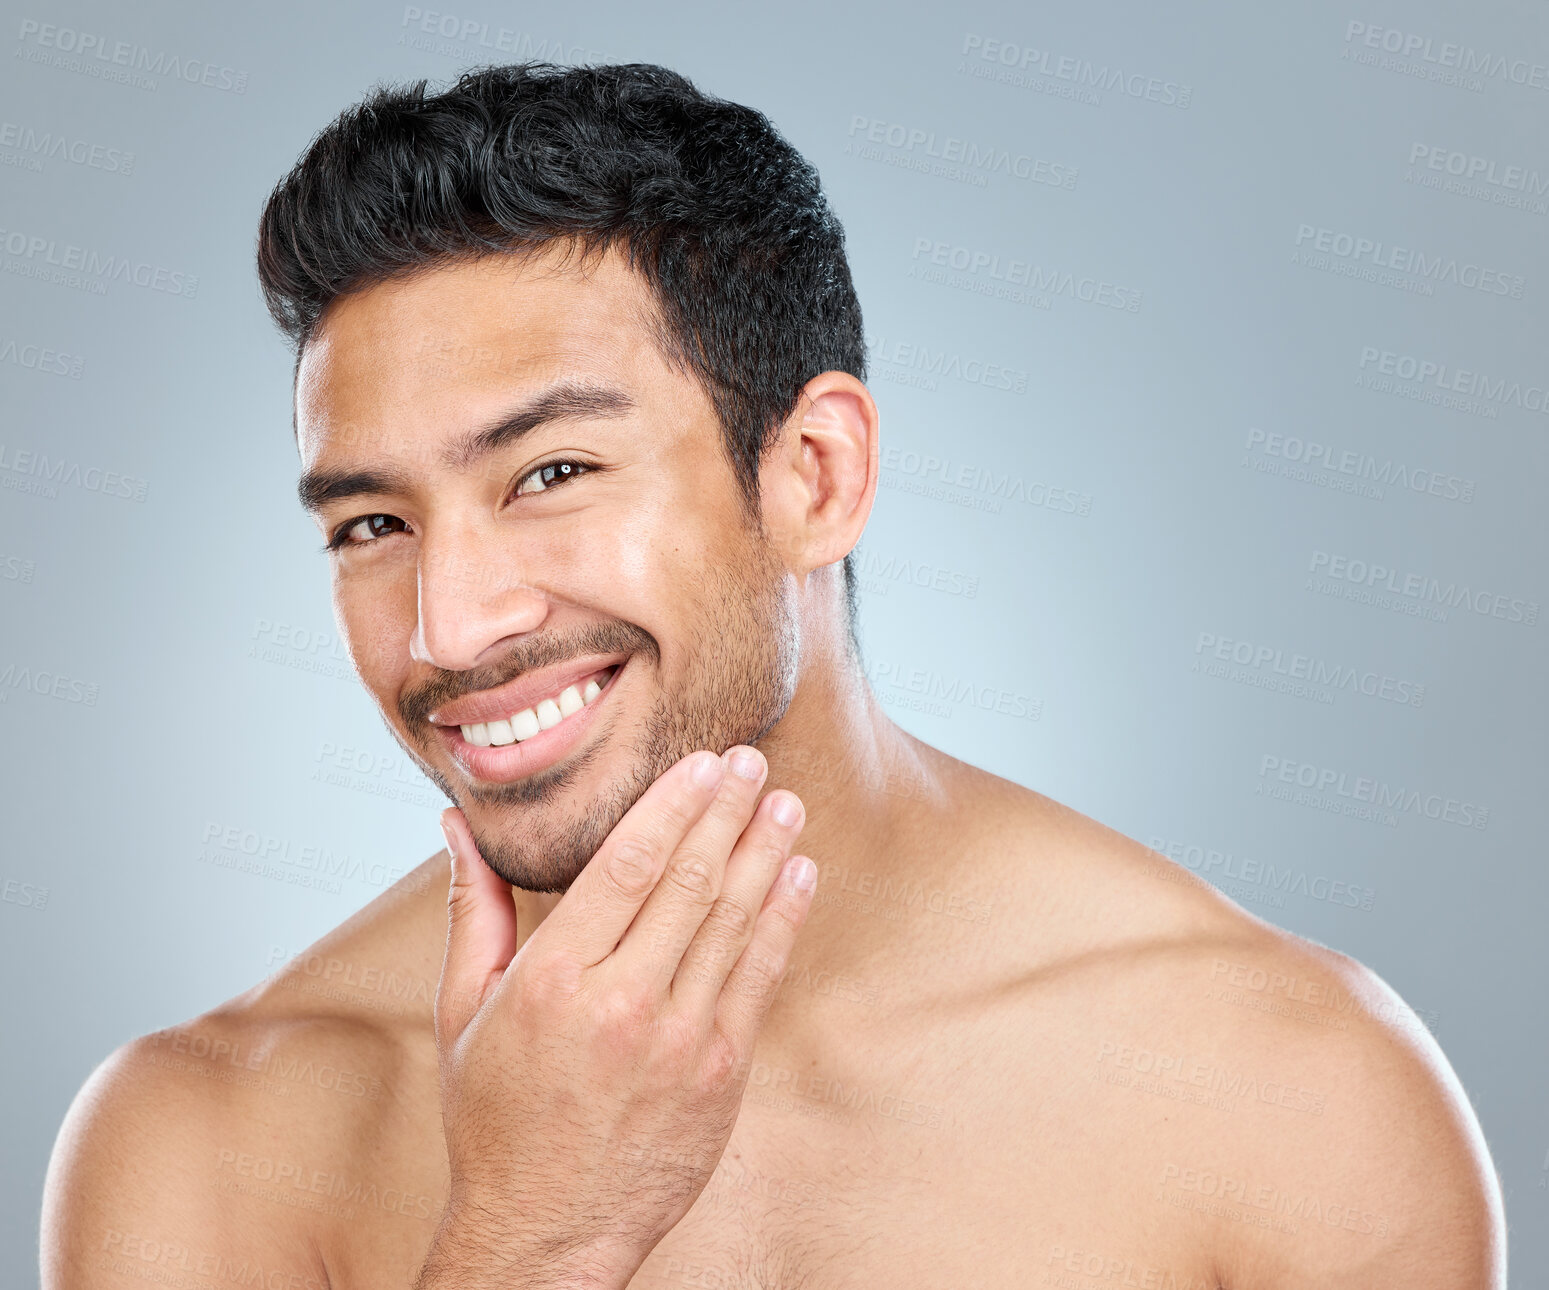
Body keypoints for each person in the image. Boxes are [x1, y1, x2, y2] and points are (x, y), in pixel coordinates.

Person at [41, 62, 1505, 1289]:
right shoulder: (206, 1138)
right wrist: (536, 1235)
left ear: (813, 472)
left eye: (551, 471)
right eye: (373, 523)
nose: (452, 626)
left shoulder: (1289, 1089)